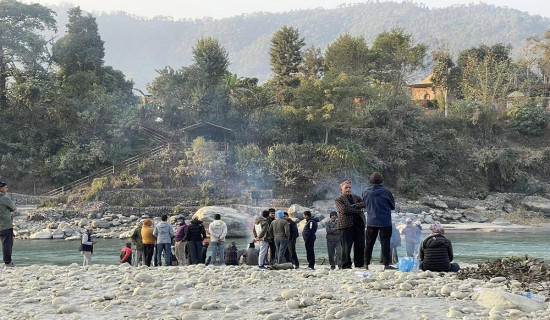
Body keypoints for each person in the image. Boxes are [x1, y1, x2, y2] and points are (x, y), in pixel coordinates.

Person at [363, 172, 396, 270]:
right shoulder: (387, 191)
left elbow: (364, 205)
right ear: (381, 181)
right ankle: (386, 264)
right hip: (385, 221)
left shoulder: (365, 192)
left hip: (371, 221)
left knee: (369, 243)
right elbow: (392, 206)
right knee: (385, 243)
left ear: (370, 181)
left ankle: (366, 264)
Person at [334, 180, 366, 269]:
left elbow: (364, 203)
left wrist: (353, 206)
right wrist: (358, 210)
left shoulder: (356, 197)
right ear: (341, 190)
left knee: (360, 246)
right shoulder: (338, 199)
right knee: (346, 247)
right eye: (346, 188)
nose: (348, 189)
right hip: (346, 226)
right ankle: (346, 265)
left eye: (349, 187)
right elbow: (344, 210)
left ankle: (359, 264)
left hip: (359, 225)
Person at [0, 181, 16, 268]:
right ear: (0, 188)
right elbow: (14, 208)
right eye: (5, 187)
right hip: (5, 224)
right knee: (7, 244)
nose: (7, 189)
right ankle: (8, 263)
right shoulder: (4, 197)